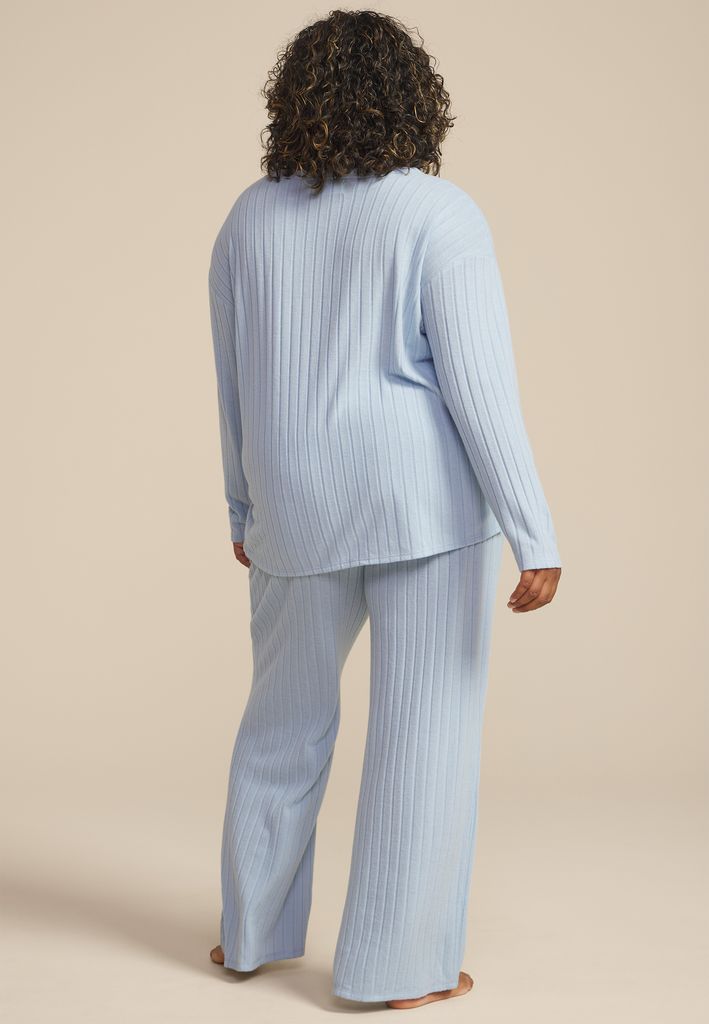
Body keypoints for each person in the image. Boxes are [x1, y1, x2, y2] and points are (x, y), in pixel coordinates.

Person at [206, 8, 562, 1010]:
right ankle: (396, 972)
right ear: (413, 99)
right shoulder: (437, 213)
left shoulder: (248, 218)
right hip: (422, 506)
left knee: (281, 726)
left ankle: (248, 939)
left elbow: (233, 380)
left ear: (294, 99)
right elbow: (480, 388)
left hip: (293, 503)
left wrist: (240, 507)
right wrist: (533, 530)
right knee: (424, 735)